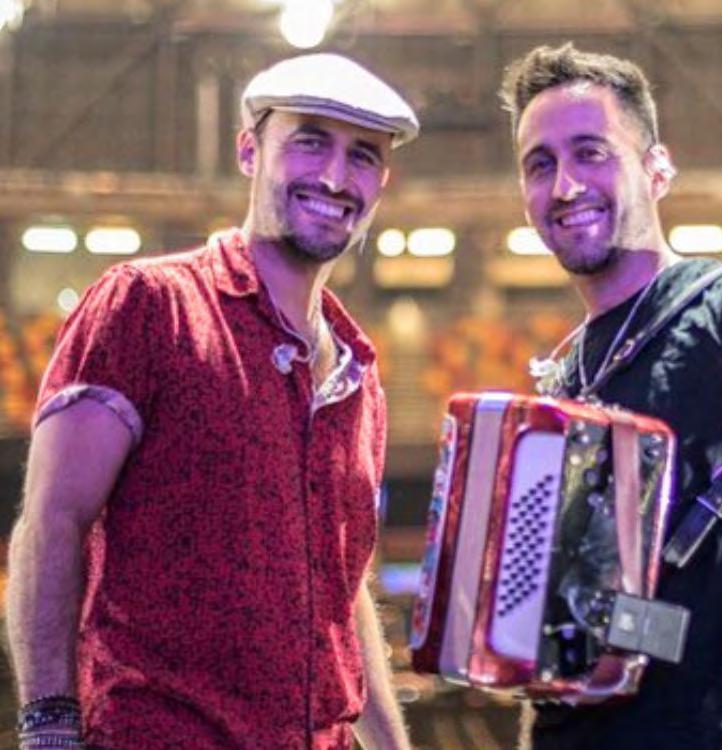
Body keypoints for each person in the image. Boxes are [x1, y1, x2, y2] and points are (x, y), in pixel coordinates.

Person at [6, 53, 418, 750]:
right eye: (309, 141)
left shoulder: (358, 374)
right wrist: (48, 727)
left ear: (381, 183)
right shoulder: (150, 305)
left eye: (363, 156)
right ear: (249, 150)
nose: (334, 176)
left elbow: (342, 599)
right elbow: (53, 520)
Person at [499, 44, 722, 749]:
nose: (565, 185)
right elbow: (559, 636)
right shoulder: (560, 381)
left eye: (591, 153)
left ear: (657, 169)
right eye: (540, 164)